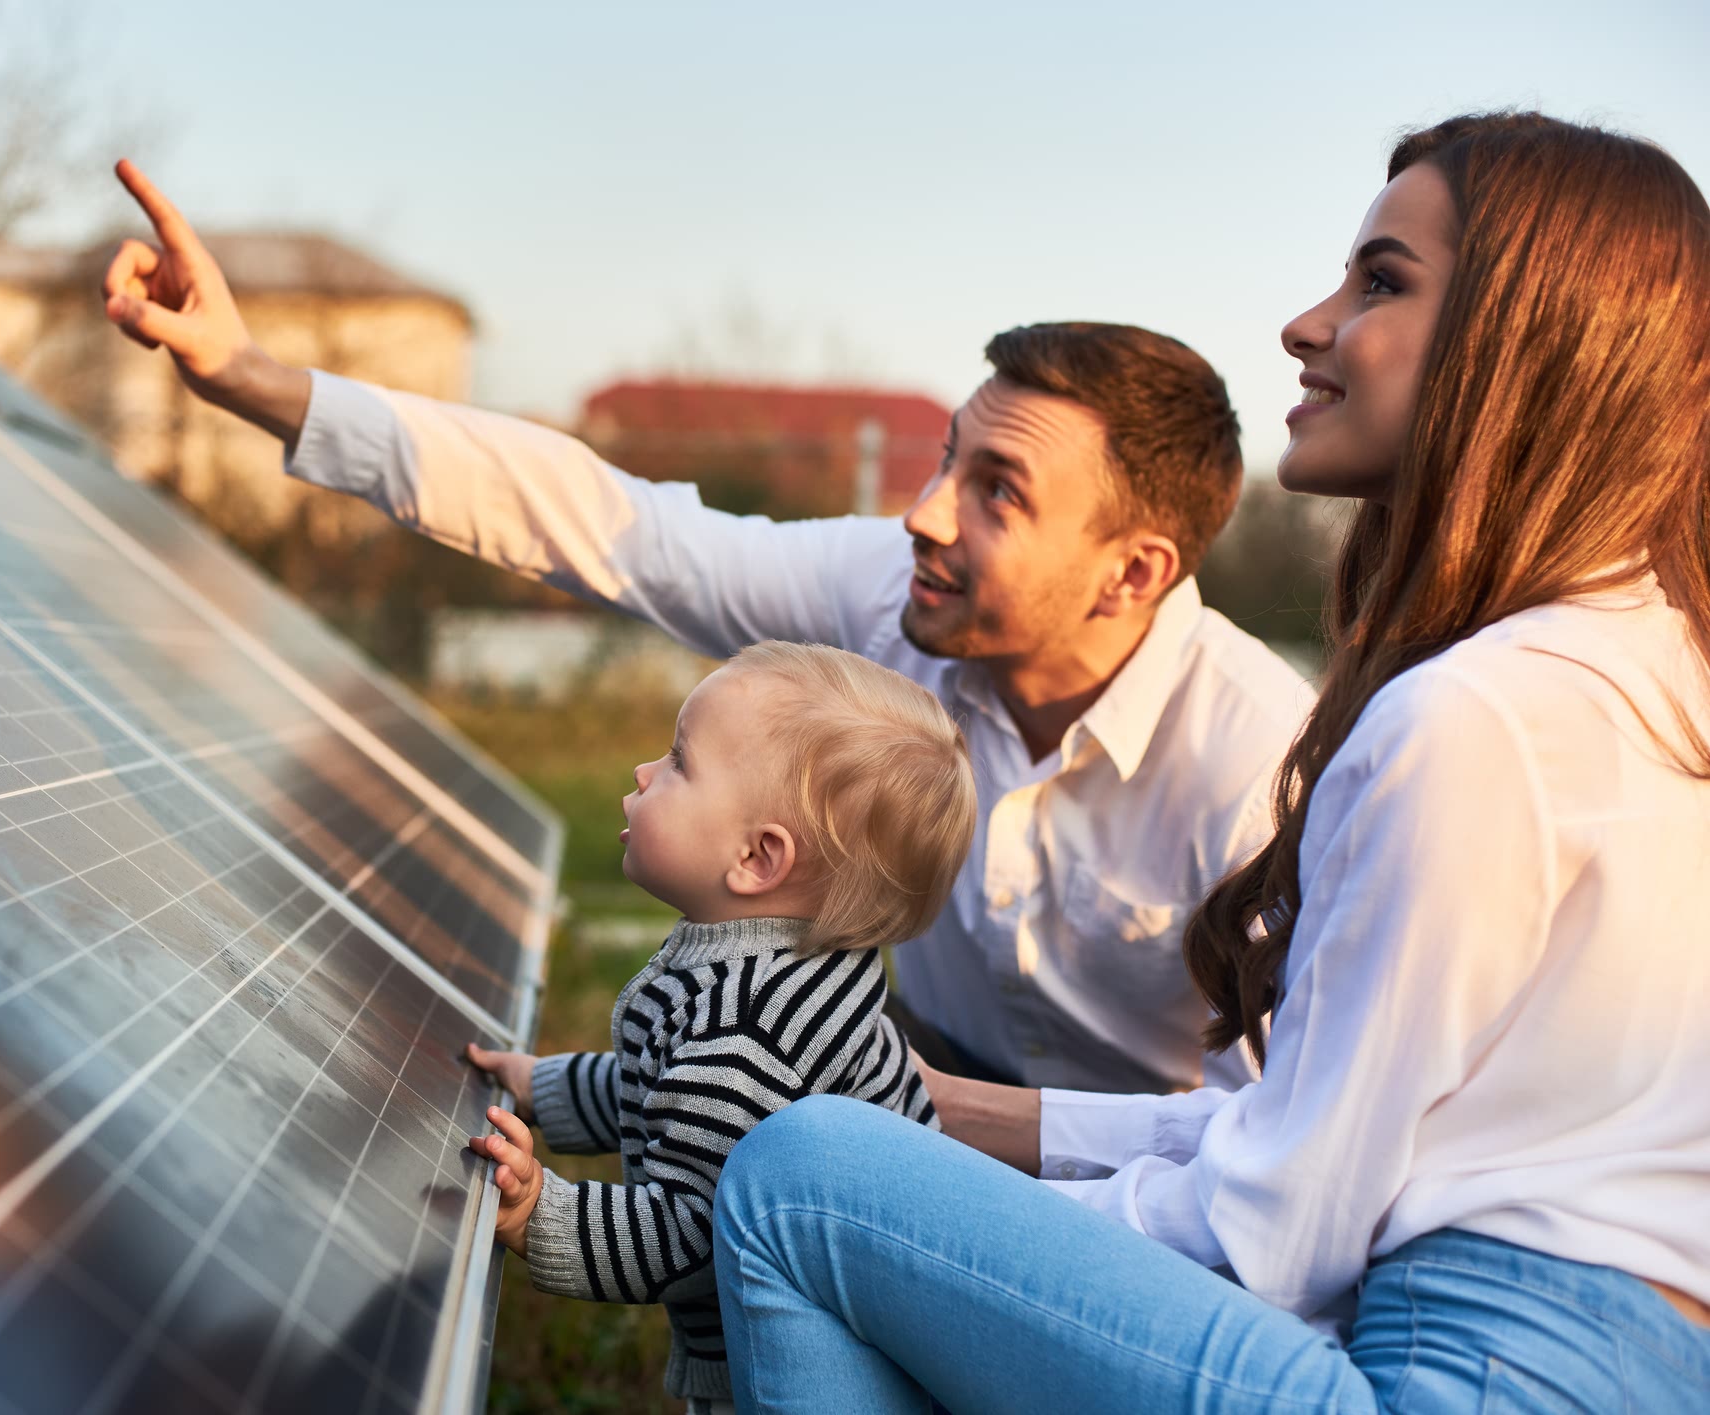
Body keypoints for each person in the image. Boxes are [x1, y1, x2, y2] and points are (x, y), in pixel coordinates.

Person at [705, 111, 1710, 1412]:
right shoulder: (1653, 671)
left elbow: (1273, 1232)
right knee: (866, 1154)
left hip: (1449, 1376)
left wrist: (944, 1233)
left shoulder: (1469, 718)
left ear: (1525, 344)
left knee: (799, 1177)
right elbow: (1308, 1119)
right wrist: (943, 1116)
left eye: (1379, 281)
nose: (1306, 322)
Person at [100, 166, 1316, 1097]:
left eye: (998, 489)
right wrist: (254, 378)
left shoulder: (1260, 767)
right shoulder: (894, 594)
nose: (923, 510)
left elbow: (1271, 1152)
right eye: (949, 456)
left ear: (1132, 571)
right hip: (920, 1079)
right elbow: (612, 525)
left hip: (1149, 1193)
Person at [460, 641, 977, 1413]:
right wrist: (544, 1086)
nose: (642, 773)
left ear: (757, 857)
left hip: (803, 1363)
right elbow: (662, 1084)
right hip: (857, 1322)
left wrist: (542, 1215)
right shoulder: (779, 968)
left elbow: (691, 1234)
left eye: (676, 763)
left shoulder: (747, 1032)